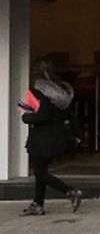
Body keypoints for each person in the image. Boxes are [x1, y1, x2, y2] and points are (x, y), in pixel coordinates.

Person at [18, 60, 83, 216]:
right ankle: (37, 204)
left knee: (40, 173)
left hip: (42, 137)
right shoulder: (60, 91)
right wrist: (77, 134)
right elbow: (70, 114)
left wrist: (26, 117)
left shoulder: (38, 90)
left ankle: (70, 191)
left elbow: (43, 115)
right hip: (57, 135)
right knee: (40, 170)